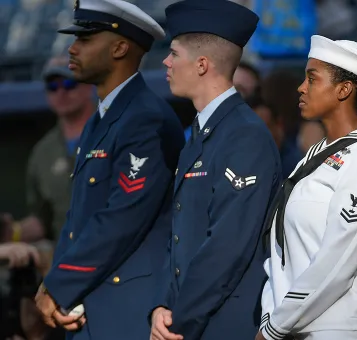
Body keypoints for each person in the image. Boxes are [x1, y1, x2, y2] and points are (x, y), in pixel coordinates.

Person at [34, 0, 184, 339]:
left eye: (85, 40)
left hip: (127, 312)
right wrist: (56, 280)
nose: (72, 48)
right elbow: (78, 218)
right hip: (91, 306)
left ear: (119, 47)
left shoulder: (145, 118)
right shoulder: (101, 118)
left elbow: (122, 217)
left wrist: (59, 283)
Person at [149, 1, 281, 339]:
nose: (166, 61)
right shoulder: (202, 132)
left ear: (202, 64)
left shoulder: (244, 135)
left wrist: (179, 320)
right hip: (191, 320)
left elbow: (227, 247)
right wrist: (162, 306)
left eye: (174, 53)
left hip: (223, 323)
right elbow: (179, 232)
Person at [257, 35, 357, 340]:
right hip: (299, 326)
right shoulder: (316, 155)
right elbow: (281, 251)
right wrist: (271, 316)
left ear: (344, 89)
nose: (301, 87)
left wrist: (276, 326)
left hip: (347, 327)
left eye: (312, 78)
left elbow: (338, 258)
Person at [1, 56, 95, 245]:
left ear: (89, 85)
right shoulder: (43, 152)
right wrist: (13, 232)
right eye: (53, 87)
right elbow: (42, 220)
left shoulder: (117, 128)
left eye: (69, 83)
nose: (61, 92)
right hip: (69, 262)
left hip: (121, 258)